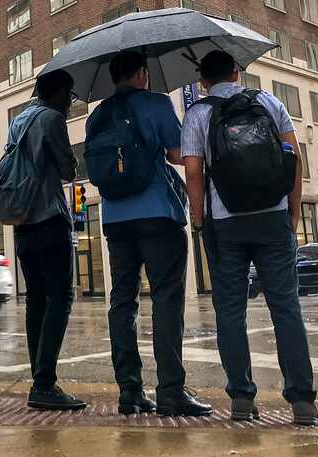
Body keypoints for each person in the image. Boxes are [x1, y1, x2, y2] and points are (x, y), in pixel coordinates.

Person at [181, 50, 318, 426]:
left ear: (203, 82)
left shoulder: (198, 113)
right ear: (237, 72)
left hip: (225, 224)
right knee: (286, 308)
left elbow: (193, 172)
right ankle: (302, 402)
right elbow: (293, 157)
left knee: (229, 311)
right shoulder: (269, 101)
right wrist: (292, 212)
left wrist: (199, 219)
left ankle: (242, 397)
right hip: (273, 218)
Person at [91, 50, 212, 417]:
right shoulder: (156, 104)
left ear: (113, 78)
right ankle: (171, 390)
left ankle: (130, 391)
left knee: (122, 302)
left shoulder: (97, 115)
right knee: (166, 299)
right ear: (143, 73)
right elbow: (178, 154)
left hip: (114, 217)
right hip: (157, 213)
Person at [11, 69, 85, 411]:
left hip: (22, 222)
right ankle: (44, 382)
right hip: (49, 218)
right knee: (61, 297)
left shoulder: (19, 120)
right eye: (68, 96)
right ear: (55, 94)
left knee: (36, 299)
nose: (69, 104)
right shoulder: (52, 119)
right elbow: (68, 169)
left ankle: (39, 379)